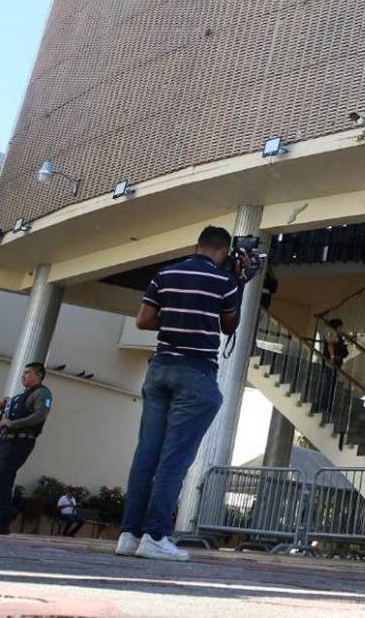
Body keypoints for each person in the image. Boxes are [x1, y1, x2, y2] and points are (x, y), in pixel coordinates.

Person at [115, 225, 243, 562]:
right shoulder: (225, 282)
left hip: (159, 369)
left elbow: (143, 320)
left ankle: (129, 534)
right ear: (224, 252)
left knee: (147, 454)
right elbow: (230, 326)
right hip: (196, 371)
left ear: (197, 246)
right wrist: (238, 284)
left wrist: (172, 318)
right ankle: (155, 536)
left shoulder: (165, 273)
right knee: (174, 459)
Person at [0, 362, 53, 535]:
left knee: (3, 478)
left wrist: (13, 424)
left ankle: (1, 520)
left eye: (27, 373)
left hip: (21, 441)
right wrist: (3, 410)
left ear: (38, 376)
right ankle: (0, 517)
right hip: (6, 442)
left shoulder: (42, 393)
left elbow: (40, 415)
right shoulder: (19, 397)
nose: (23, 376)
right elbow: (3, 424)